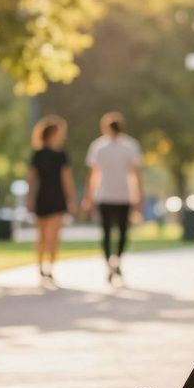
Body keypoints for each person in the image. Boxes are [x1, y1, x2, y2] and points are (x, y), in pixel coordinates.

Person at [83, 112, 142, 283]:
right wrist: (138, 198)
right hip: (120, 196)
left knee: (107, 233)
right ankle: (116, 262)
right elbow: (136, 176)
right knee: (121, 232)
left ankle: (111, 263)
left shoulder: (101, 146)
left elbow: (93, 175)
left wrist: (89, 197)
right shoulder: (128, 146)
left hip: (109, 196)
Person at [26, 116, 76, 283]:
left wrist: (71, 199)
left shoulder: (61, 155)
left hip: (55, 197)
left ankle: (49, 267)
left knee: (51, 236)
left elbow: (67, 180)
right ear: (52, 134)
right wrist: (30, 199)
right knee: (43, 235)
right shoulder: (38, 155)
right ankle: (42, 266)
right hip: (45, 197)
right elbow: (32, 180)